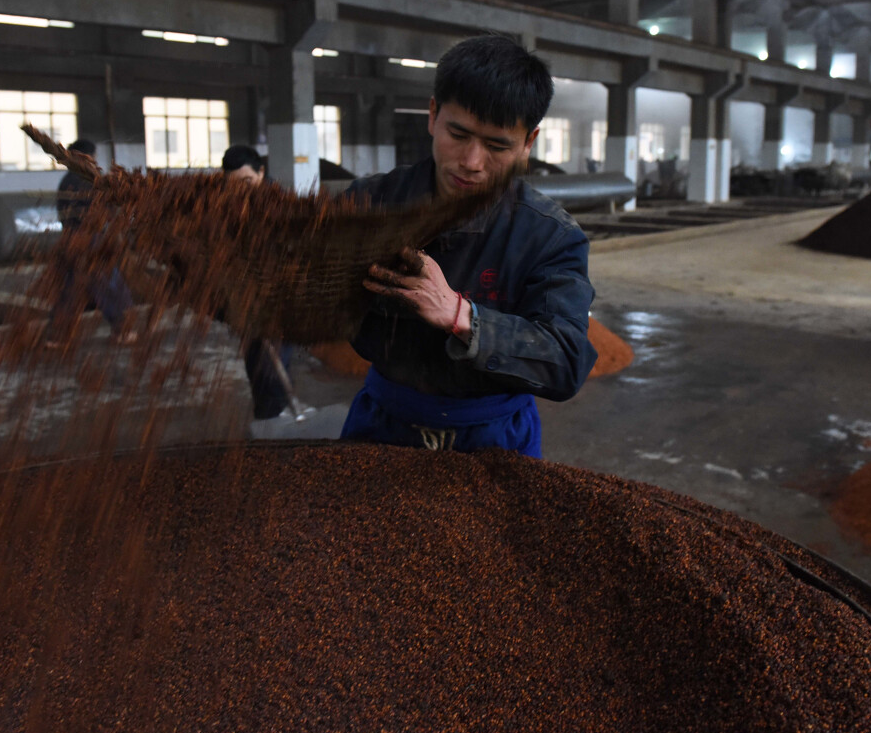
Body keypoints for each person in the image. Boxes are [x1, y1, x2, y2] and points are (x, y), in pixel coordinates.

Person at [340, 34, 597, 457]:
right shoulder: (368, 205)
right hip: (383, 424)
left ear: (528, 143)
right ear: (433, 115)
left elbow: (566, 362)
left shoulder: (550, 236)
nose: (472, 161)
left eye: (498, 145)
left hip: (493, 439)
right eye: (458, 134)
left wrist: (461, 315)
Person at [221, 145, 294, 420]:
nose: (241, 190)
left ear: (261, 172)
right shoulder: (226, 204)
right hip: (244, 296)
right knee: (254, 357)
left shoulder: (282, 204)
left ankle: (275, 413)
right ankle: (267, 414)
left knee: (274, 359)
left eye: (246, 182)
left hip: (279, 295)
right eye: (233, 185)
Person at [50, 138, 135, 346]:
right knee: (108, 284)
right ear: (86, 157)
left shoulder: (66, 180)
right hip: (90, 240)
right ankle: (122, 331)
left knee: (71, 288)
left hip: (69, 239)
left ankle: (57, 336)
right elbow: (102, 211)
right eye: (94, 157)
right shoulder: (87, 180)